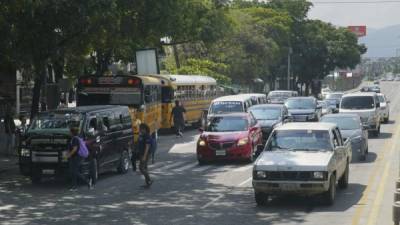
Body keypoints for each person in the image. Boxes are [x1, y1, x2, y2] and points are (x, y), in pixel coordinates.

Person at [66, 127, 93, 191]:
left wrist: (69, 155)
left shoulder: (75, 139)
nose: (68, 133)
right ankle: (74, 186)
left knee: (74, 171)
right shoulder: (73, 138)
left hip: (77, 157)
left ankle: (87, 182)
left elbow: (75, 149)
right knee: (73, 171)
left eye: (69, 131)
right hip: (74, 157)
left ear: (72, 132)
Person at [137, 123, 153, 188]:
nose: (139, 130)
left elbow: (147, 146)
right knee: (145, 168)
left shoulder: (147, 136)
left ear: (144, 129)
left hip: (145, 154)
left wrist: (144, 156)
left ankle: (149, 180)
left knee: (141, 168)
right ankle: (147, 183)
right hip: (141, 153)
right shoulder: (141, 135)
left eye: (140, 128)